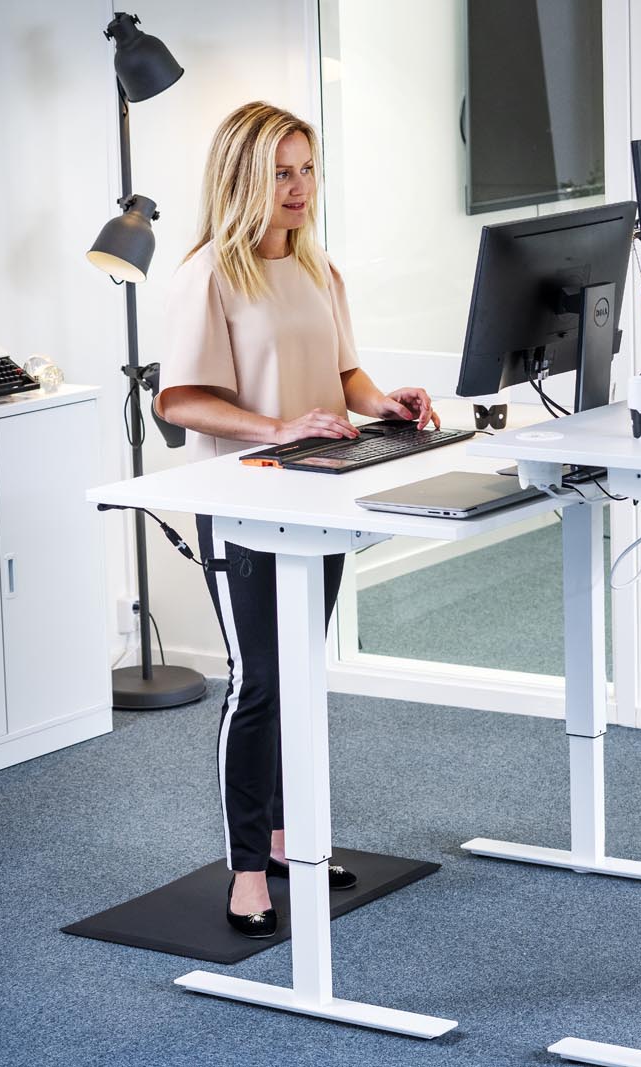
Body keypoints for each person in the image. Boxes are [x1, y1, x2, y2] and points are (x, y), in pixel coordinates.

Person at [156, 101, 439, 938]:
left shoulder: (319, 268)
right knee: (257, 681)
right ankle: (247, 868)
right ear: (244, 178)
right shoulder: (210, 274)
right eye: (281, 172)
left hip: (318, 499)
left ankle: (285, 838)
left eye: (307, 169)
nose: (299, 186)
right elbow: (179, 399)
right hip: (242, 505)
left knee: (297, 675)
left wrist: (383, 403)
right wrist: (277, 427)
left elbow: (344, 374)